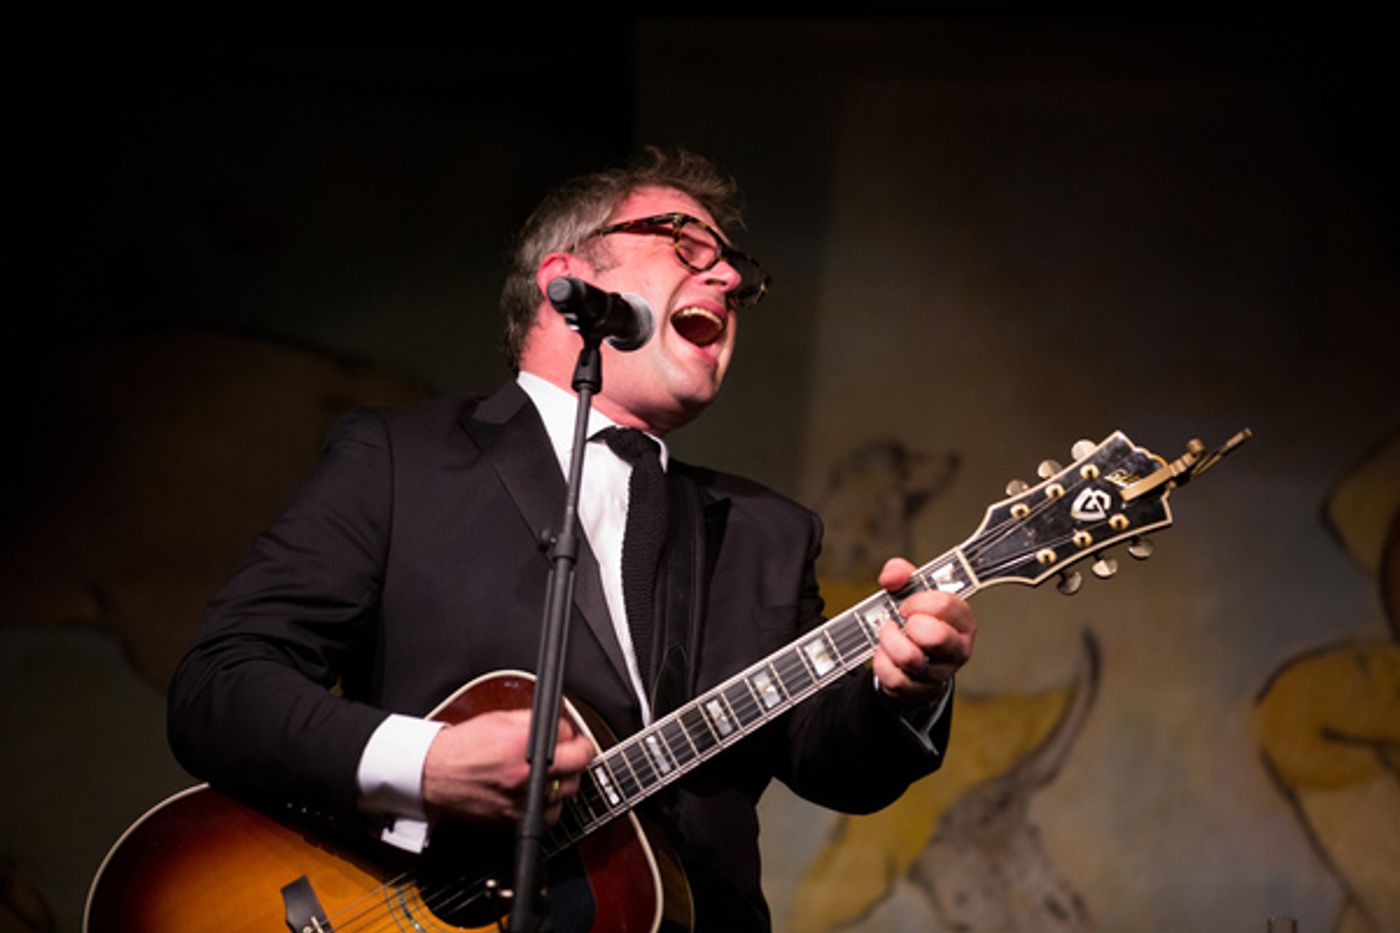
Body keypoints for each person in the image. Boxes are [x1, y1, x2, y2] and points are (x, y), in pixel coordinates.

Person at [167, 147, 977, 931]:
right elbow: (219, 687)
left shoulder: (767, 530)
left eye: (736, 269)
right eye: (686, 244)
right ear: (566, 283)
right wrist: (426, 765)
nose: (729, 279)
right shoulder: (400, 461)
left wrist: (905, 689)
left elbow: (839, 769)